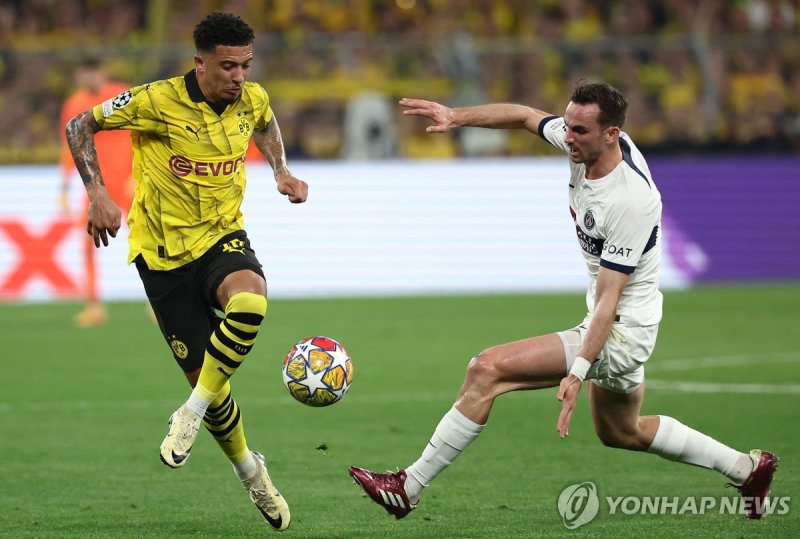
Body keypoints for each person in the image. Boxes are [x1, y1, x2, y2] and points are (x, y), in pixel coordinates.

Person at [348, 81, 778, 521]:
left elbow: (610, 301)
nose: (567, 137)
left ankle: (408, 486)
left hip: (620, 331)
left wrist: (577, 372)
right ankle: (746, 468)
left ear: (611, 134)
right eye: (567, 126)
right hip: (620, 319)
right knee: (621, 431)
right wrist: (456, 116)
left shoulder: (630, 201)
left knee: (486, 369)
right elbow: (521, 114)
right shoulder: (582, 142)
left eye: (580, 131)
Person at [65, 12, 308, 531]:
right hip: (161, 254)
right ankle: (251, 473)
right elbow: (79, 123)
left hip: (222, 235)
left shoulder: (253, 97)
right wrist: (98, 193)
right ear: (199, 63)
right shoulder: (155, 100)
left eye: (245, 64)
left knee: (251, 300)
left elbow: (264, 123)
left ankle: (189, 413)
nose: (239, 76)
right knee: (212, 382)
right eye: (227, 66)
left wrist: (280, 170)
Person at [59, 57, 133, 327]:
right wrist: (65, 184)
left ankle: (158, 301)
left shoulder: (121, 95)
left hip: (128, 181)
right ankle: (94, 305)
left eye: (92, 73)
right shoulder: (74, 104)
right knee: (88, 242)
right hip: (96, 187)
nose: (88, 79)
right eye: (84, 74)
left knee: (148, 238)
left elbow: (143, 133)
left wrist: (139, 173)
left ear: (101, 72)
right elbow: (69, 145)